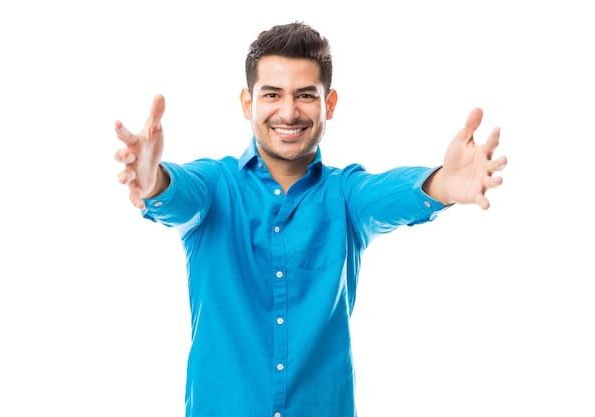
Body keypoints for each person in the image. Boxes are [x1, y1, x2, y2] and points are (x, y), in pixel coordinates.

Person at [113, 21, 507, 417]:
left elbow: (393, 193)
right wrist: (151, 180)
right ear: (248, 103)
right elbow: (177, 193)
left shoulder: (345, 194)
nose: (288, 112)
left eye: (305, 95)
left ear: (329, 104)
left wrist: (442, 183)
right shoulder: (216, 187)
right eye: (272, 94)